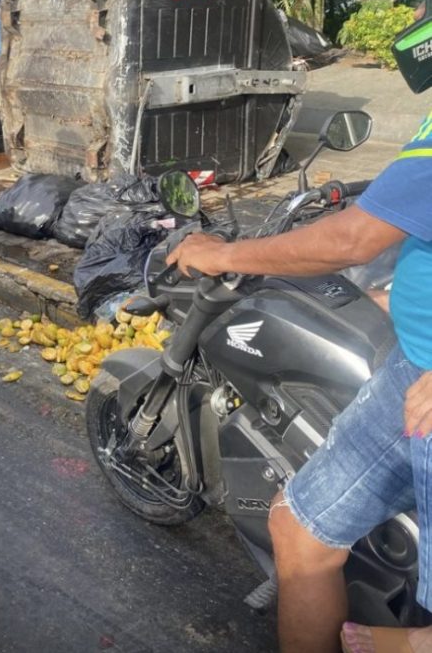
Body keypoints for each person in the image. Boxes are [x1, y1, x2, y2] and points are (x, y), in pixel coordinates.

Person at [166, 108, 432, 652]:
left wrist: (222, 254)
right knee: (301, 526)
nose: (414, 19)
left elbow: (352, 241)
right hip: (411, 367)